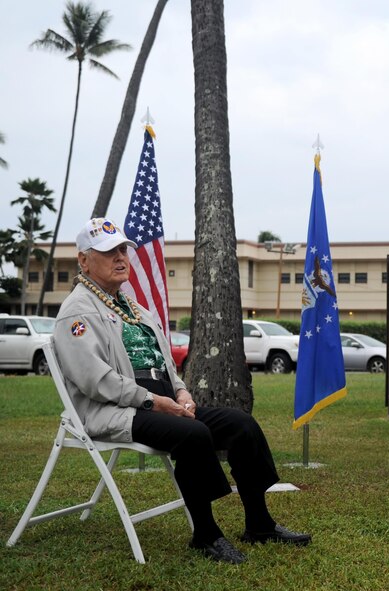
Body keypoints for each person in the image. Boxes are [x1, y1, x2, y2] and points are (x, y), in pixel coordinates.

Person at [52, 217, 310, 564]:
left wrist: (181, 393)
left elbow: (166, 365)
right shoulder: (77, 312)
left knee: (241, 424)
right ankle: (206, 534)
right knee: (192, 433)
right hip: (117, 411)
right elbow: (94, 380)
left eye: (122, 249)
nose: (120, 258)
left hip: (162, 403)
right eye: (107, 251)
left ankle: (259, 524)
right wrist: (153, 401)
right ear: (83, 260)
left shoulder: (134, 308)